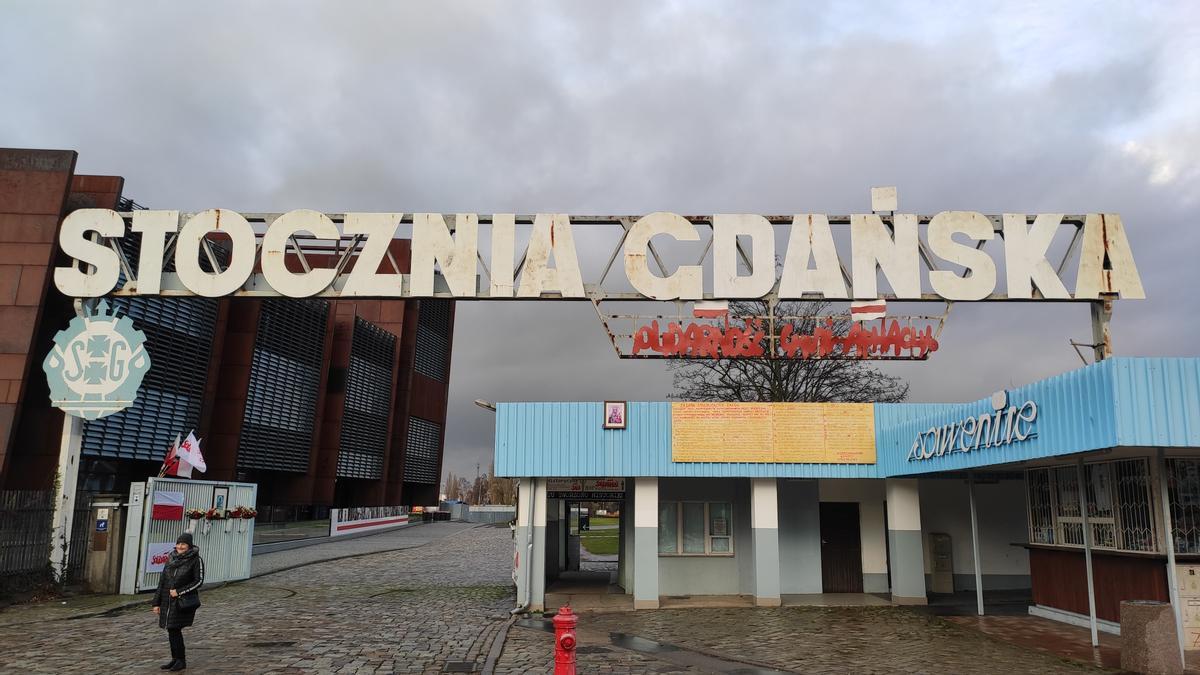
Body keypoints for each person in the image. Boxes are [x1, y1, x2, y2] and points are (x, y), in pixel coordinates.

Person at [152, 532, 205, 671]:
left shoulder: (195, 559)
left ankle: (181, 660)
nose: (180, 546)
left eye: (183, 544)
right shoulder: (170, 558)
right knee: (171, 629)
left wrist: (179, 591)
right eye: (179, 544)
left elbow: (198, 581)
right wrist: (156, 603)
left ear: (189, 546)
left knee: (174, 629)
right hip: (167, 601)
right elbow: (162, 581)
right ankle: (175, 659)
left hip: (182, 601)